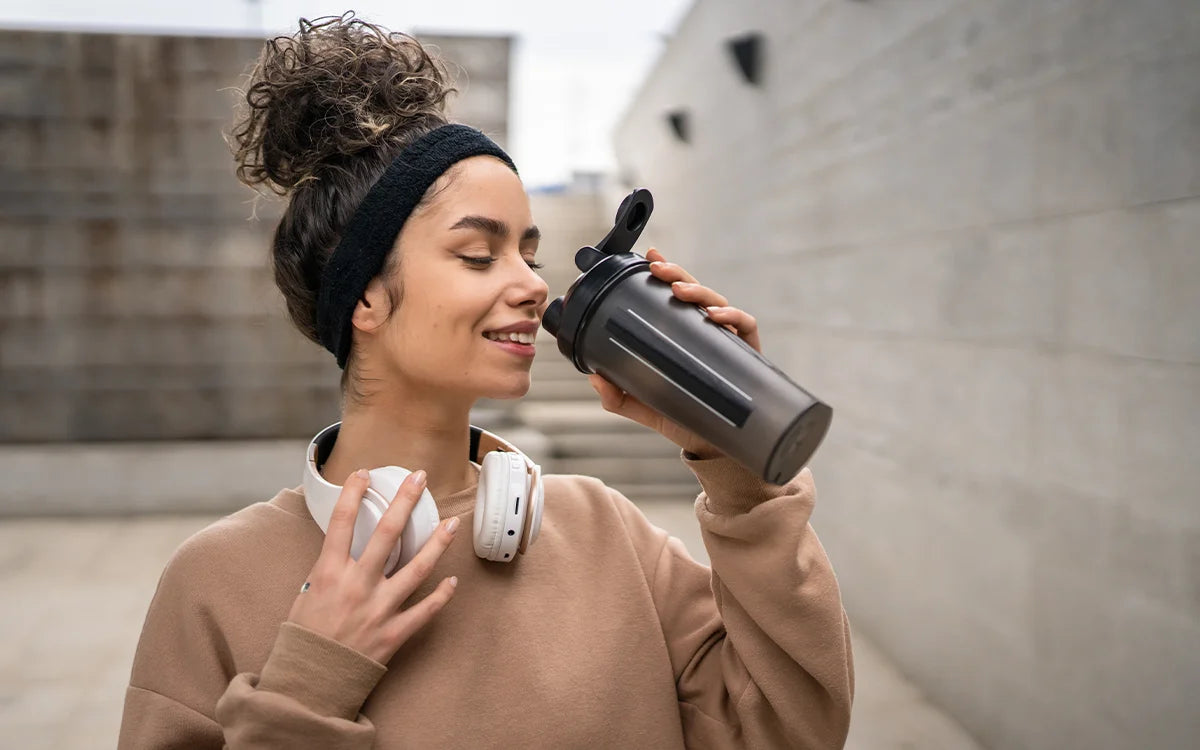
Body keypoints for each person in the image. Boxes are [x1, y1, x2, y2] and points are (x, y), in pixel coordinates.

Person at [117, 13, 854, 749]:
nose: (533, 286)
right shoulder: (217, 582)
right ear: (366, 296)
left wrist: (741, 469)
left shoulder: (606, 533)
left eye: (529, 255)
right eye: (479, 255)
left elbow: (790, 731)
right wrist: (309, 684)